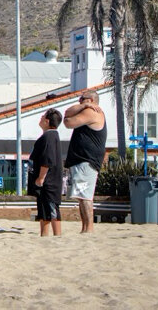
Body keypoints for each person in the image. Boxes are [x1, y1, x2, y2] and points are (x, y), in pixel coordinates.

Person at [63, 90, 107, 234]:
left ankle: (89, 228)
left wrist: (82, 108)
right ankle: (85, 227)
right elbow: (67, 112)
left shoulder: (92, 113)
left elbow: (68, 122)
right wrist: (81, 106)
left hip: (86, 160)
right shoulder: (85, 110)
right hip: (81, 160)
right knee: (81, 197)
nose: (80, 101)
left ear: (91, 100)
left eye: (82, 99)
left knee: (85, 197)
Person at [29, 109, 63, 237]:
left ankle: (56, 234)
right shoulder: (50, 136)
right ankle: (44, 234)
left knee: (51, 209)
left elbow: (48, 159)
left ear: (47, 121)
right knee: (44, 209)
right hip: (49, 182)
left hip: (49, 182)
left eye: (42, 117)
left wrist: (41, 178)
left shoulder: (49, 136)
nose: (40, 118)